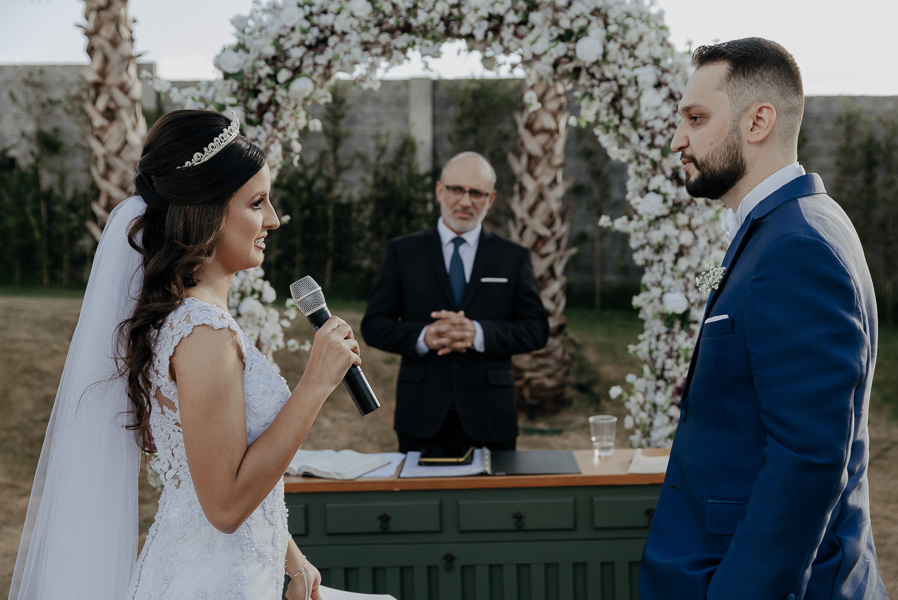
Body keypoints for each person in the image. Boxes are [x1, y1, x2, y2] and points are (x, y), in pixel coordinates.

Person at [9, 110, 361, 600]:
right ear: (207, 211)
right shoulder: (202, 334)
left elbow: (214, 473)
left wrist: (294, 563)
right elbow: (223, 505)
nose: (274, 219)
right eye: (257, 203)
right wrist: (316, 384)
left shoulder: (201, 318)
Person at [640, 38, 888, 599]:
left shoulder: (796, 247)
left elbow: (807, 461)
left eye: (696, 118)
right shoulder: (789, 226)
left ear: (758, 121)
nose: (678, 139)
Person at [360, 152, 549, 454]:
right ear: (439, 191)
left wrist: (479, 334)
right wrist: (424, 337)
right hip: (421, 414)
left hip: (491, 417)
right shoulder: (402, 252)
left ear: (491, 199)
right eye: (456, 189)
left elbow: (537, 329)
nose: (465, 201)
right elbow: (374, 325)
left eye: (476, 193)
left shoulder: (512, 258)